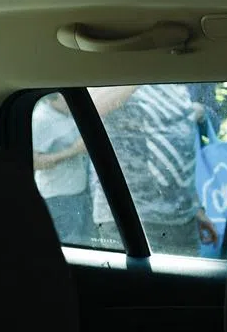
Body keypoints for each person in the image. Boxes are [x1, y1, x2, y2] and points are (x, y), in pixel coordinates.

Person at [88, 84, 217, 257]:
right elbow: (90, 105)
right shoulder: (117, 74)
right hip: (131, 220)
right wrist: (142, 72)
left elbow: (178, 150)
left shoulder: (175, 84)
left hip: (183, 219)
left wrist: (196, 207)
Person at [31, 93, 94, 244]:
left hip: (81, 195)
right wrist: (73, 150)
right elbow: (34, 162)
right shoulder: (41, 119)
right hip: (58, 199)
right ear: (55, 96)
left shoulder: (70, 113)